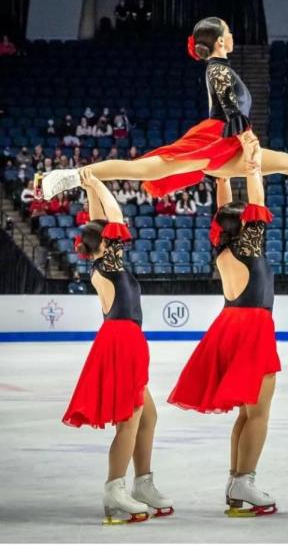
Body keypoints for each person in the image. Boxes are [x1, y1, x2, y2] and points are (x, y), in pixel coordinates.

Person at [38, 17, 288, 201]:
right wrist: (245, 137)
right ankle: (68, 176)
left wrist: (244, 136)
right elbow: (228, 102)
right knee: (140, 169)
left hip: (228, 141)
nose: (231, 35)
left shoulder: (219, 67)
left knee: (286, 163)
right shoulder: (217, 68)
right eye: (228, 32)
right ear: (219, 42)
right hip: (216, 139)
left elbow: (232, 103)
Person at [166, 152, 280, 517]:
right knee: (258, 413)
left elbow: (224, 208)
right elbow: (257, 204)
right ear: (246, 228)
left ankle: (236, 482)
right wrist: (252, 165)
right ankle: (245, 480)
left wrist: (221, 171)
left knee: (246, 415)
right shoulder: (249, 244)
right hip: (253, 328)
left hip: (229, 324)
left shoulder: (225, 247)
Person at [63, 169, 174, 524]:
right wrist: (95, 181)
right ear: (108, 244)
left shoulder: (103, 261)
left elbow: (100, 220)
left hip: (125, 339)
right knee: (129, 421)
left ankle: (142, 484)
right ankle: (114, 491)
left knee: (148, 416)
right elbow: (114, 220)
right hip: (121, 341)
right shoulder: (108, 264)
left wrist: (88, 186)